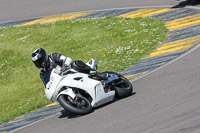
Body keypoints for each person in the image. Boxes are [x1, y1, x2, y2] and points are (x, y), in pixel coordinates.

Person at [31, 48, 108, 80]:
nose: (39, 63)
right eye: (37, 63)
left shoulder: (54, 57)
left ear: (44, 57)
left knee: (75, 64)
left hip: (71, 72)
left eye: (39, 61)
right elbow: (47, 84)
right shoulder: (42, 73)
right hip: (62, 81)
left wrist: (64, 67)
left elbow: (67, 59)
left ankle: (98, 74)